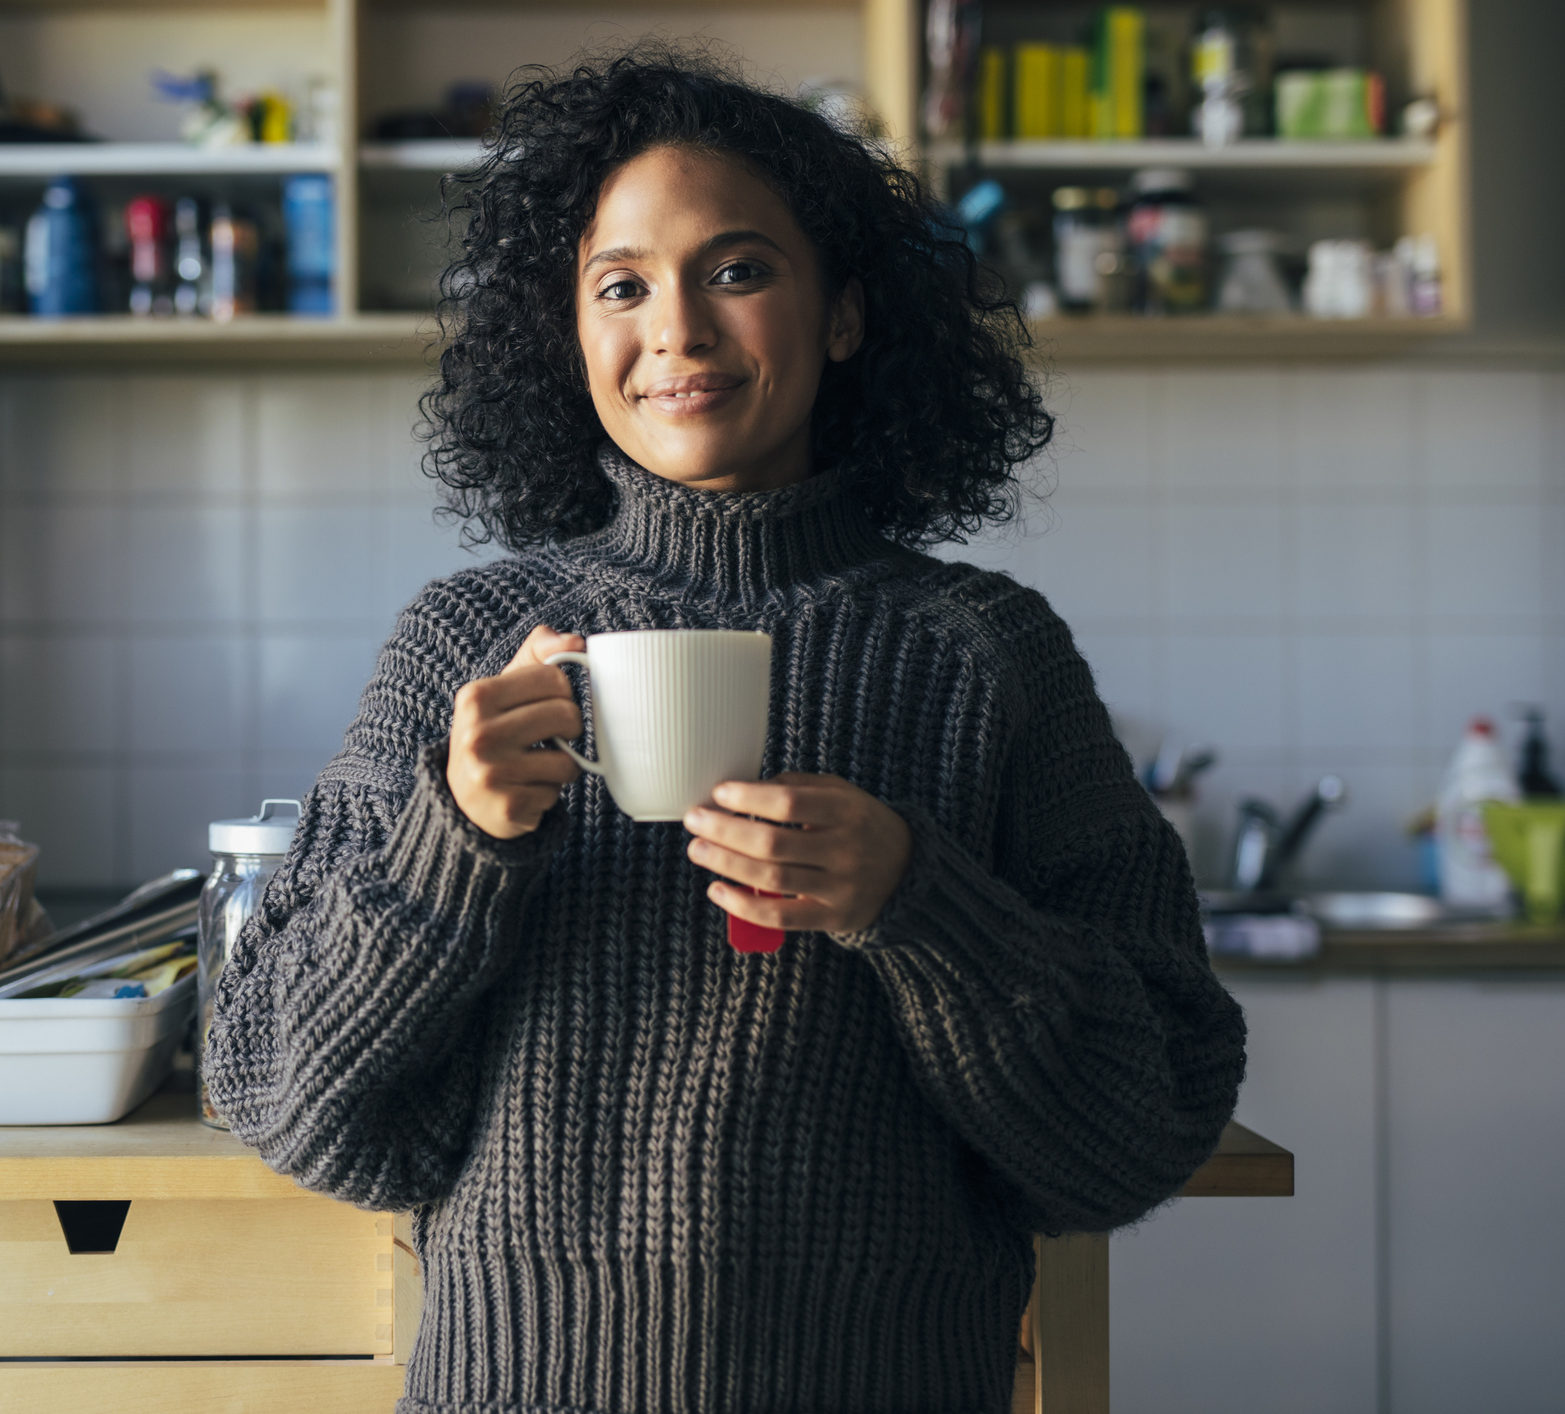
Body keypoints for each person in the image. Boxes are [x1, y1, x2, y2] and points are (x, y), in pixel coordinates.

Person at [204, 52, 1245, 1414]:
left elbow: (1143, 1116)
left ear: (845, 315)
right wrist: (448, 847)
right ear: (568, 334)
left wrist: (914, 901)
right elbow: (284, 1095)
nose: (677, 331)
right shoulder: (461, 646)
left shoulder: (987, 652)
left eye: (738, 270)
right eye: (620, 284)